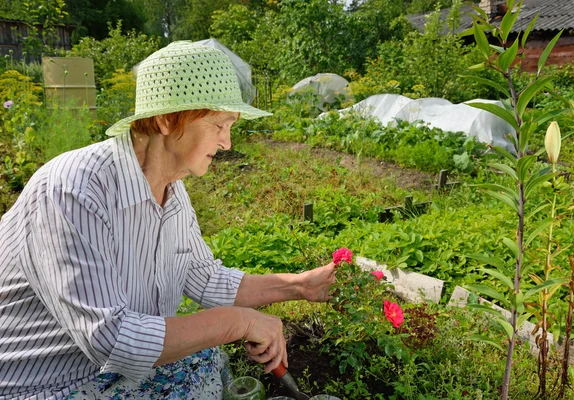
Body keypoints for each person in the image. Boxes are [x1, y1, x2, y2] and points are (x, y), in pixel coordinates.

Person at [0, 41, 336, 400]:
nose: (227, 143)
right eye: (218, 125)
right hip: (45, 386)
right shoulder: (74, 190)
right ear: (165, 120)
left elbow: (205, 279)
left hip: (105, 373)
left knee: (206, 357)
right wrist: (238, 321)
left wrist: (300, 286)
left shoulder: (172, 193)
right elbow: (111, 340)